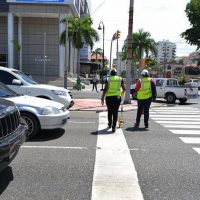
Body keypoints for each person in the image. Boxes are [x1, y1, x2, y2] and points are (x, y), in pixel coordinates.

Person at [101, 68, 126, 132]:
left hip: (109, 98)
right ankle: (113, 127)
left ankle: (110, 124)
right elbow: (124, 88)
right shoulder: (120, 79)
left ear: (110, 74)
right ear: (116, 73)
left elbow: (105, 89)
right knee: (115, 112)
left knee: (109, 111)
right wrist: (122, 93)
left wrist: (102, 98)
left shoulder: (108, 79)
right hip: (117, 98)